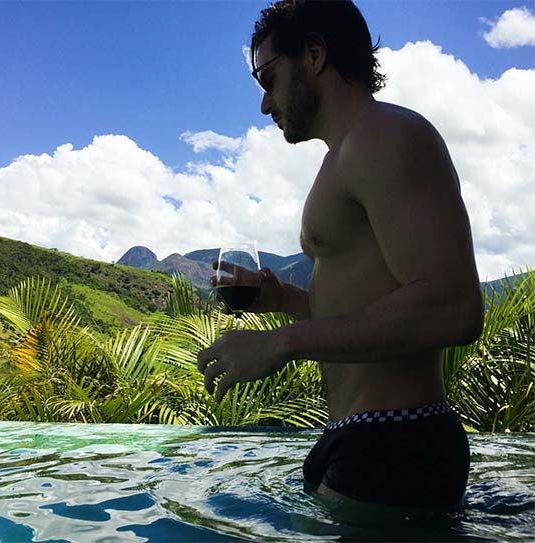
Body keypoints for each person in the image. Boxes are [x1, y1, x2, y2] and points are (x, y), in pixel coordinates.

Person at [197, 0, 484, 508]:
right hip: (363, 437)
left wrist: (282, 343)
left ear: (313, 54)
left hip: (398, 439)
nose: (265, 104)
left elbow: (453, 307)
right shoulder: (345, 155)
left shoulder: (388, 137)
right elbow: (374, 313)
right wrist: (284, 299)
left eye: (268, 79)